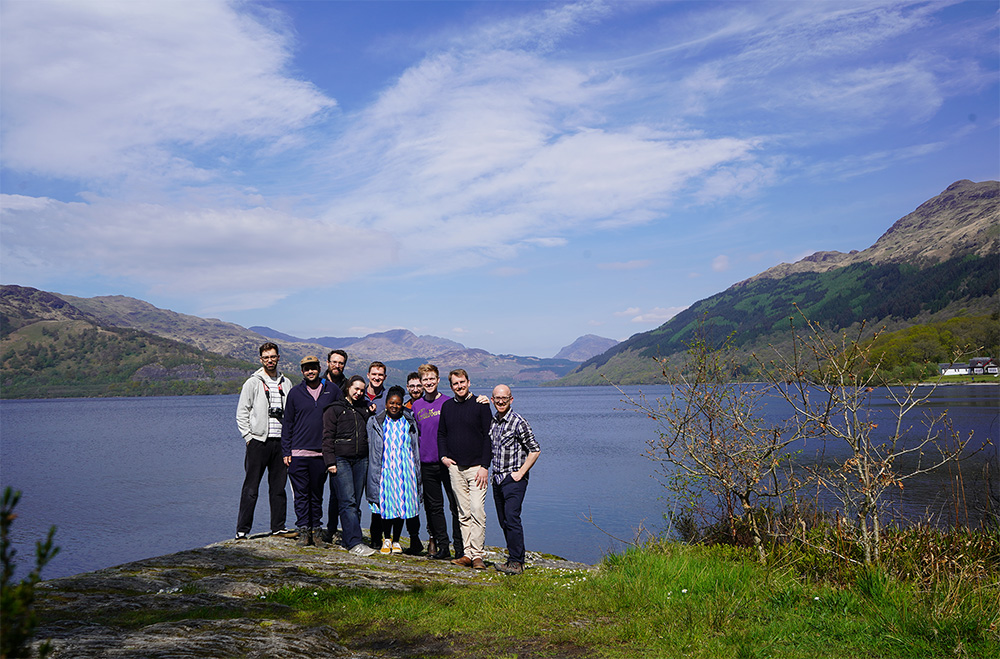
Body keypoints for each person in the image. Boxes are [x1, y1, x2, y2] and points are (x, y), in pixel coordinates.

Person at [235, 342, 296, 540]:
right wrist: (248, 437)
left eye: (273, 356)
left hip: (281, 442)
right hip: (258, 442)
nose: (270, 360)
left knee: (278, 487)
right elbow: (242, 412)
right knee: (251, 487)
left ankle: (278, 527)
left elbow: (292, 413)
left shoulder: (286, 383)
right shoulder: (252, 383)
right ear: (261, 359)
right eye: (266, 357)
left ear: (278, 357)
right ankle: (242, 530)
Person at [281, 356, 342, 547]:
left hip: (321, 454)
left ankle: (316, 532)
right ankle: (303, 531)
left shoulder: (332, 390)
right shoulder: (294, 393)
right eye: (306, 369)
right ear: (302, 371)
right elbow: (287, 423)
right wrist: (286, 451)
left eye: (313, 368)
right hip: (298, 453)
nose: (310, 372)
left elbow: (343, 413)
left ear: (319, 368)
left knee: (316, 495)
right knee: (301, 495)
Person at [437, 368, 493, 569]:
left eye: (462, 382)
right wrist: (444, 457)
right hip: (456, 468)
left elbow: (489, 437)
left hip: (478, 468)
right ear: (451, 386)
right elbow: (442, 433)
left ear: (468, 382)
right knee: (463, 512)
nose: (459, 386)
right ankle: (467, 554)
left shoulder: (481, 405)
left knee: (478, 510)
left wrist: (485, 466)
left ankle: (478, 555)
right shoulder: (447, 407)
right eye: (455, 384)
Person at [411, 364, 463, 560]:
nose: (429, 382)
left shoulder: (449, 403)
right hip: (426, 463)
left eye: (432, 378)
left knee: (455, 506)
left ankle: (460, 547)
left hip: (448, 463)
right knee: (434, 508)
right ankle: (443, 547)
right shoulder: (416, 406)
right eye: (425, 379)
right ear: (421, 382)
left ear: (438, 380)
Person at [489, 385, 541, 575]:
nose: (501, 401)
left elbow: (535, 449)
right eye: (497, 398)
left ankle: (517, 562)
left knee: (512, 517)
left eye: (505, 398)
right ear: (492, 400)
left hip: (514, 479)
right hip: (497, 479)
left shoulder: (519, 422)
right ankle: (512, 558)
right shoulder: (493, 421)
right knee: (504, 520)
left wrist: (520, 473)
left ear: (511, 399)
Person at [322, 375, 376, 556]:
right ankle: (354, 542)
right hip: (341, 460)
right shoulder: (334, 409)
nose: (359, 393)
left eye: (362, 390)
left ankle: (348, 537)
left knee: (355, 502)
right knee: (348, 501)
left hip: (361, 460)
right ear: (348, 388)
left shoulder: (364, 409)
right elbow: (327, 437)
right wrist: (330, 461)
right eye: (356, 389)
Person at [367, 386, 422, 555]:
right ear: (386, 404)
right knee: (386, 507)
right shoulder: (376, 422)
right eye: (392, 403)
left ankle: (397, 540)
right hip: (385, 469)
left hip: (405, 469)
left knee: (401, 506)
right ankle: (387, 539)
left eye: (398, 404)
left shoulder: (409, 421)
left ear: (402, 405)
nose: (395, 406)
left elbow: (414, 446)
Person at [320, 349, 348, 544]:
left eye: (341, 363)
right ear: (328, 362)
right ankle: (312, 527)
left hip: (338, 447)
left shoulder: (348, 386)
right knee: (314, 489)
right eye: (334, 362)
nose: (337, 365)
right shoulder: (317, 384)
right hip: (317, 443)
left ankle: (332, 529)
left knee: (337, 492)